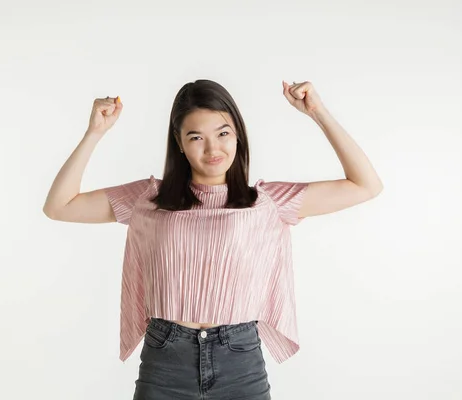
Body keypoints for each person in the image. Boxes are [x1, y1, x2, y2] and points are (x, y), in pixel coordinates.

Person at [43, 79, 383, 399]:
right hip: (165, 362)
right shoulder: (149, 198)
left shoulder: (266, 202)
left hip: (240, 362)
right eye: (196, 137)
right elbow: (59, 206)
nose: (212, 148)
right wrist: (94, 132)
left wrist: (318, 112)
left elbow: (365, 185)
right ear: (179, 143)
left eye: (223, 133)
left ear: (238, 135)